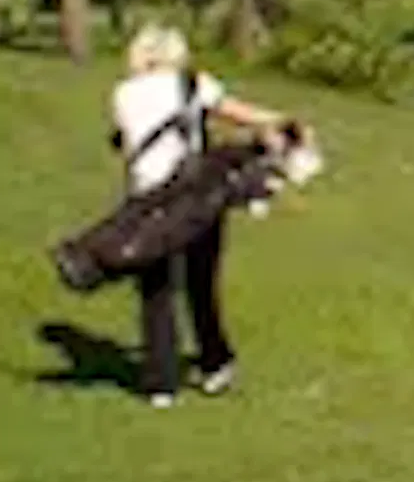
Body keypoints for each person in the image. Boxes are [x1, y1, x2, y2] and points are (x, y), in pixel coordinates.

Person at [105, 24, 283, 410]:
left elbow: (124, 142)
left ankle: (160, 383)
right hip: (195, 196)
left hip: (147, 200)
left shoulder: (123, 93)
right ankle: (214, 362)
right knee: (201, 283)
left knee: (156, 291)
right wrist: (279, 120)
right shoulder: (190, 84)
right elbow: (238, 113)